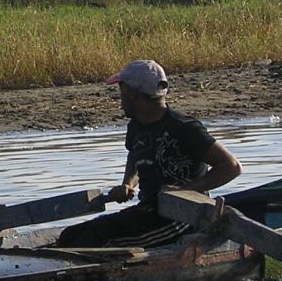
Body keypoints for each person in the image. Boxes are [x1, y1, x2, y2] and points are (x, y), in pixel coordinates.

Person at [57, 59, 242, 248]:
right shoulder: (137, 125)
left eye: (122, 91)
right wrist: (128, 183)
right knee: (70, 235)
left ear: (133, 94)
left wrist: (186, 190)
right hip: (147, 211)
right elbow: (135, 156)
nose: (119, 100)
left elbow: (231, 167)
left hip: (180, 218)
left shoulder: (184, 127)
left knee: (95, 242)